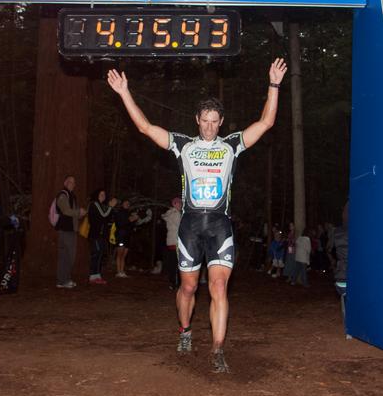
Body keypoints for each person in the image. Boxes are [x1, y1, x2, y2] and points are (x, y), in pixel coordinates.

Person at [107, 57, 287, 373]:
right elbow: (145, 127)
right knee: (188, 287)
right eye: (204, 119)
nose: (208, 125)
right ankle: (186, 331)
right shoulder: (183, 145)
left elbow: (266, 123)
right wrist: (124, 92)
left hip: (219, 224)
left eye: (214, 120)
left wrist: (273, 84)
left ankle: (218, 350)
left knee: (218, 288)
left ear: (221, 122)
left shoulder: (232, 145)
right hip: (190, 224)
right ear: (197, 119)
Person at [55, 175, 86, 289]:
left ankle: (62, 280)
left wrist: (80, 213)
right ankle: (65, 280)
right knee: (69, 255)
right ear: (65, 182)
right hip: (66, 230)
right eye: (70, 181)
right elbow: (66, 211)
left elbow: (72, 213)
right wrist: (79, 212)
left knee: (64, 256)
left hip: (70, 229)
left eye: (73, 182)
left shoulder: (72, 196)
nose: (72, 184)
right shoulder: (63, 195)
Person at [87, 188, 118, 284]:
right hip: (95, 234)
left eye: (104, 194)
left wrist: (110, 208)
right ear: (97, 195)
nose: (103, 196)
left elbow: (107, 219)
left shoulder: (102, 206)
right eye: (101, 194)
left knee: (100, 254)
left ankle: (97, 275)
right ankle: (93, 276)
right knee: (96, 254)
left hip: (102, 235)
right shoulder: (94, 204)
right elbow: (103, 215)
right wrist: (110, 207)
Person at [161, 197, 182, 289]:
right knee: (178, 264)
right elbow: (181, 227)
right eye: (178, 203)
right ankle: (176, 283)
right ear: (174, 204)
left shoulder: (169, 214)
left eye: (181, 203)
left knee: (172, 263)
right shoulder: (176, 214)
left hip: (170, 241)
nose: (180, 205)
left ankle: (172, 282)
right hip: (176, 241)